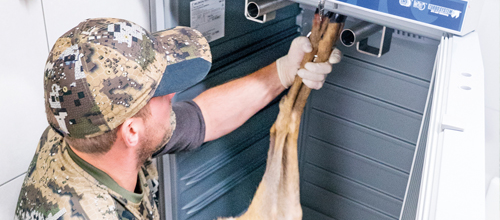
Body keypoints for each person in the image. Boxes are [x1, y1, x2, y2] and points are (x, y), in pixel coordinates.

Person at [15, 18, 341, 220]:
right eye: (163, 92)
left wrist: (284, 72)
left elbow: (202, 118)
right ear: (131, 131)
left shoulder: (80, 127)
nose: (173, 96)